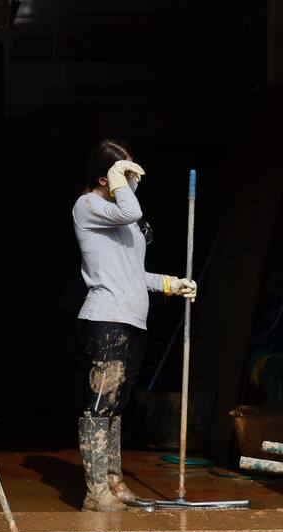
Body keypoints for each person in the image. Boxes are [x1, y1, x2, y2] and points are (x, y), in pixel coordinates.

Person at [73, 140, 196, 511]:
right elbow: (130, 210)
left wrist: (169, 284)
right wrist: (119, 183)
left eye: (131, 170)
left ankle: (114, 481)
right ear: (102, 176)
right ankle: (95, 492)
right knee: (101, 403)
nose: (130, 177)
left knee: (118, 405)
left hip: (132, 318)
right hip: (105, 319)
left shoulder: (124, 220)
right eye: (122, 172)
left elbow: (131, 273)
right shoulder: (88, 206)